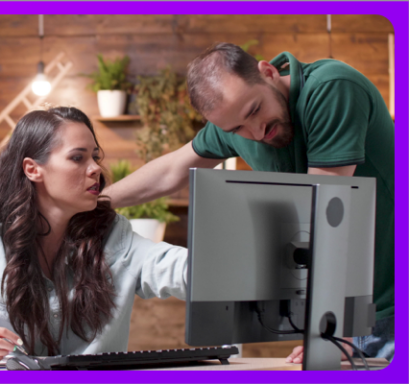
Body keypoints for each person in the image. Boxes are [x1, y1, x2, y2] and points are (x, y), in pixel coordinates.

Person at [103, 42, 394, 362]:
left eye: (254, 110)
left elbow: (324, 214)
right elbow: (171, 171)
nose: (256, 132)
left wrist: (335, 326)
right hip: (352, 310)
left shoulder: (332, 89)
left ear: (268, 72)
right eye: (236, 128)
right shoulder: (237, 124)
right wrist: (96, 203)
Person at [0, 106, 189, 359]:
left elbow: (184, 270)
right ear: (33, 169)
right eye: (78, 158)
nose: (95, 169)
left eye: (95, 157)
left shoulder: (115, 236)